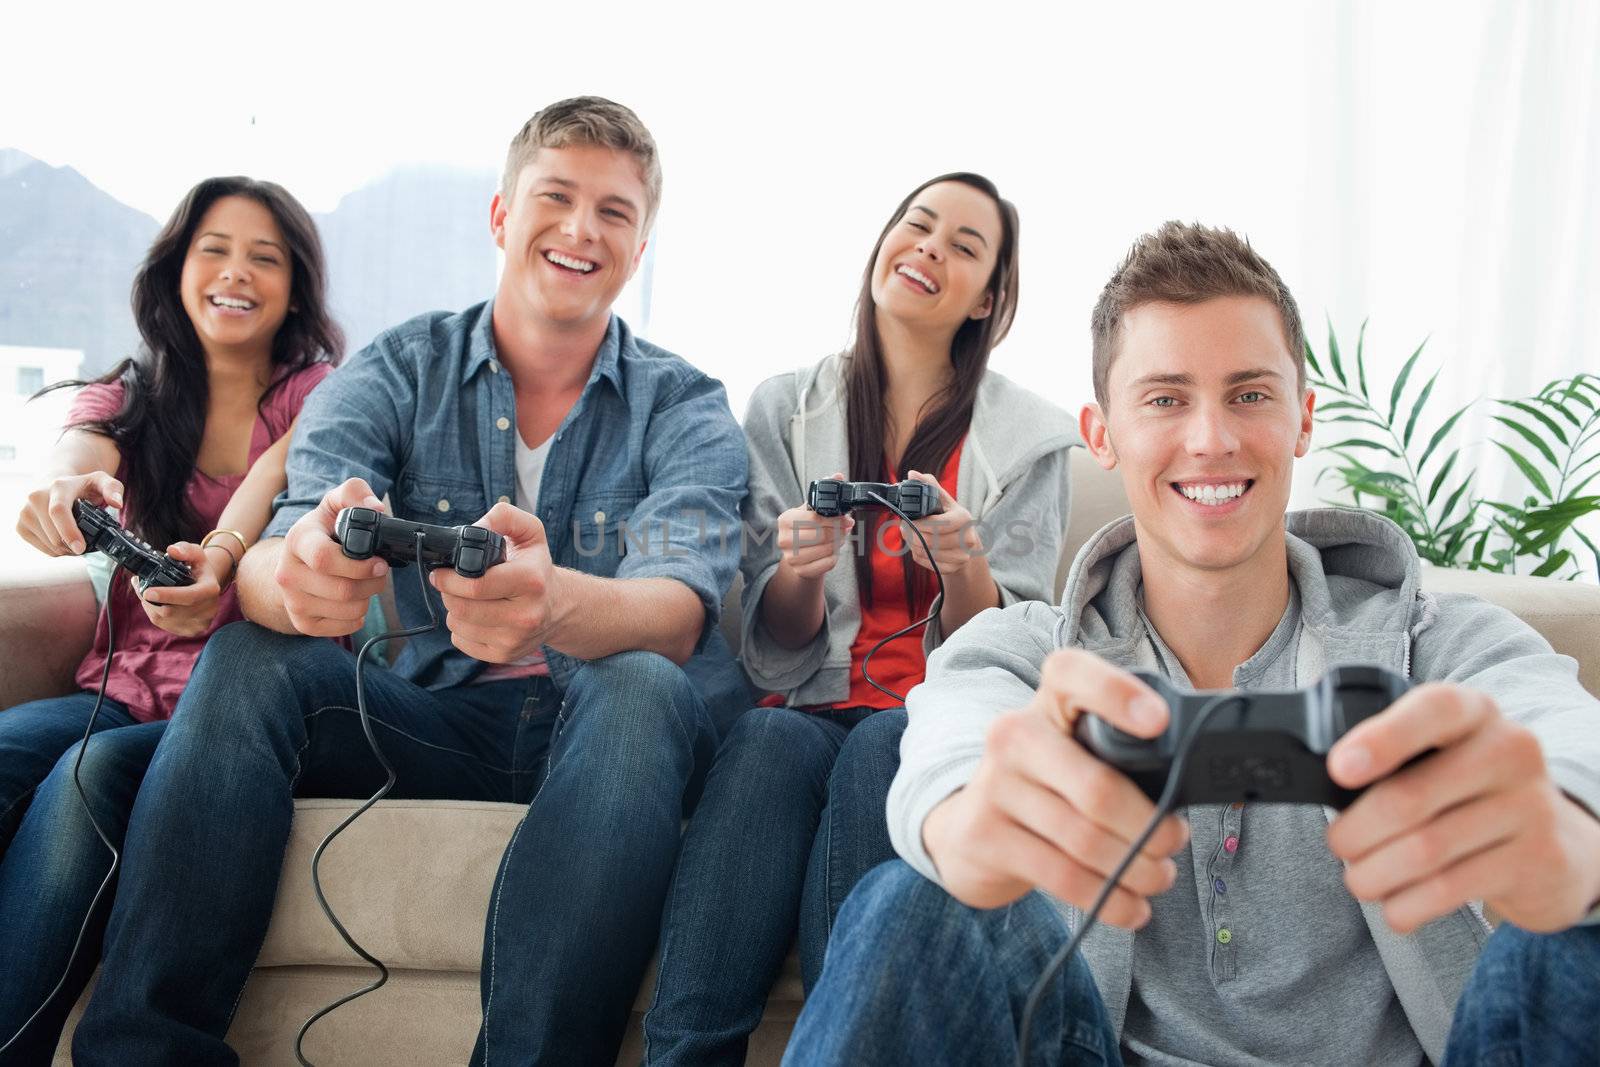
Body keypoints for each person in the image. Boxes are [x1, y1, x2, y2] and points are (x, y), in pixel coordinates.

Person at [785, 221, 1600, 1066]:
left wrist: (1569, 839)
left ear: (1302, 419)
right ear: (1100, 434)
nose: (1212, 438)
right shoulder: (1021, 657)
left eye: (1249, 394)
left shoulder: (1438, 642)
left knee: (1576, 927)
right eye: (1166, 398)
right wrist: (971, 827)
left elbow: (1573, 739)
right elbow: (947, 770)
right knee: (911, 902)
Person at [66, 96, 748, 1067]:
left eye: (615, 212)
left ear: (639, 249)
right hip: (434, 718)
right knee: (253, 649)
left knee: (642, 678)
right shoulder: (397, 365)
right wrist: (293, 576)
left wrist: (552, 603)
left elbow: (676, 609)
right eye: (555, 196)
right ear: (501, 216)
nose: (580, 229)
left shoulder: (686, 402)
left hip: (612, 737)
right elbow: (283, 540)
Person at [642, 173, 1075, 1065]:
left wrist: (964, 566)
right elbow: (775, 651)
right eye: (916, 226)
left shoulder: (1034, 438)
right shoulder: (783, 407)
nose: (928, 248)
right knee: (761, 747)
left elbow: (1012, 649)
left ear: (988, 297)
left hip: (931, 717)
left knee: (885, 745)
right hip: (804, 706)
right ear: (882, 244)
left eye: (963, 246)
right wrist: (797, 574)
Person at [0, 176, 341, 1062]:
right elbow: (74, 468)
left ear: (295, 286)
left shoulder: (322, 399)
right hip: (117, 684)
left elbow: (283, 492)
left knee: (87, 778)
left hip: (238, 712)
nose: (236, 272)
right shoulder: (127, 397)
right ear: (177, 270)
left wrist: (220, 561)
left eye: (264, 257)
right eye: (214, 250)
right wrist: (71, 496)